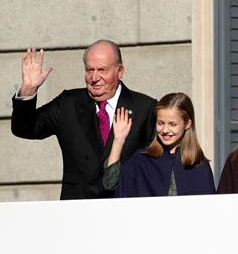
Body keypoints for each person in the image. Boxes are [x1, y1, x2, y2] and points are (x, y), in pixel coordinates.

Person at [11, 40, 156, 200]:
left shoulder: (145, 108)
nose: (94, 77)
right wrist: (28, 89)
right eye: (89, 70)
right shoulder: (68, 103)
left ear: (119, 71)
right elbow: (24, 127)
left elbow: (157, 166)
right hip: (77, 210)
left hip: (125, 209)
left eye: (102, 70)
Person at [103, 92, 214, 197]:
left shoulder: (199, 166)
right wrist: (118, 140)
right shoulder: (141, 160)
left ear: (187, 124)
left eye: (172, 124)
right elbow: (110, 184)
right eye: (160, 123)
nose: (165, 130)